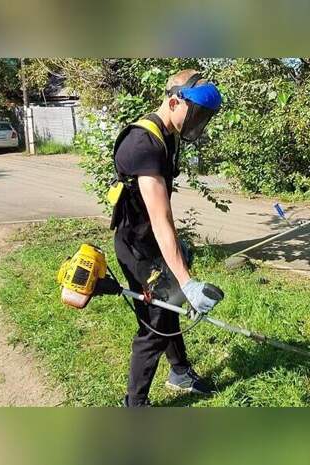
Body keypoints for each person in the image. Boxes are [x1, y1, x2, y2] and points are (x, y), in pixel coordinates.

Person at [111, 69, 223, 407]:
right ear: (174, 100)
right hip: (138, 248)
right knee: (156, 322)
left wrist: (177, 255)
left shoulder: (167, 133)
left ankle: (179, 372)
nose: (199, 122)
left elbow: (162, 216)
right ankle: (135, 404)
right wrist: (187, 280)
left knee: (169, 303)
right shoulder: (143, 143)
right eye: (197, 114)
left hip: (152, 242)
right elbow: (160, 219)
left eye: (205, 117)